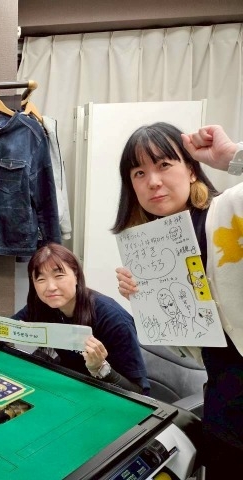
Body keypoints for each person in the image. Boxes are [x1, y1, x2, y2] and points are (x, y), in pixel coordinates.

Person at [114, 123, 243, 475]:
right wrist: (146, 305)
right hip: (224, 408)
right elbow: (193, 347)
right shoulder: (154, 247)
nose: (153, 181)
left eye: (164, 165)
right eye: (139, 173)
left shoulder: (231, 210)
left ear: (191, 169)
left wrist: (232, 157)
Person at [0, 243, 149, 395]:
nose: (50, 287)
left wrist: (100, 368)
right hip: (68, 383)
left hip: (101, 395)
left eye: (59, 276)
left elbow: (139, 392)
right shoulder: (43, 305)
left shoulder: (112, 319)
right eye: (40, 279)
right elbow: (12, 326)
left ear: (76, 276)